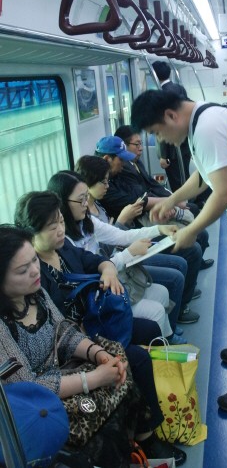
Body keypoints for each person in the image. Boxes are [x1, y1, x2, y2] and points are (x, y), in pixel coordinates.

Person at [130, 89, 227, 413]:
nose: (163, 141)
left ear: (171, 116)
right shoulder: (202, 121)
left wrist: (191, 230)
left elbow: (223, 192)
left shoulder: (206, 126)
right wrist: (171, 200)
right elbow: (202, 179)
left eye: (158, 132)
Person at [13, 195, 186, 465]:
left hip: (95, 324)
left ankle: (155, 410)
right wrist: (92, 362)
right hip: (77, 347)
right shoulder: (36, 282)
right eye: (52, 226)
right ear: (31, 233)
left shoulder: (64, 250)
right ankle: (146, 436)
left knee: (150, 329)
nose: (61, 229)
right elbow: (56, 339)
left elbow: (96, 262)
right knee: (136, 359)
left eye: (61, 222)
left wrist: (108, 271)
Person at [0, 224, 132, 468]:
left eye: (34, 260)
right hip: (41, 408)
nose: (35, 270)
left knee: (122, 366)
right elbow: (30, 388)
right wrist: (93, 379)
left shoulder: (36, 294)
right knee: (103, 437)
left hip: (63, 374)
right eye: (22, 270)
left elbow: (65, 333)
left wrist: (98, 354)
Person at [46, 170, 185, 344]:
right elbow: (90, 276)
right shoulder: (63, 241)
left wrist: (159, 229)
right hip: (98, 295)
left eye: (86, 197)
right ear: (62, 202)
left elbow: (122, 236)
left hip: (112, 278)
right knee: (156, 310)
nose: (85, 204)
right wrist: (129, 253)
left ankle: (168, 337)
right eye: (81, 199)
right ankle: (163, 345)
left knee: (162, 292)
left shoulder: (85, 222)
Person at [94, 136, 202, 325]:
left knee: (194, 232)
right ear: (107, 159)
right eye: (120, 159)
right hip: (125, 251)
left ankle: (184, 297)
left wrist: (164, 214)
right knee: (185, 258)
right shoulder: (103, 196)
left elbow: (144, 196)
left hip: (133, 237)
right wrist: (123, 222)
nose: (124, 163)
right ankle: (180, 309)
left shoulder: (118, 177)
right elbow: (115, 240)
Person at [113, 126, 213, 270]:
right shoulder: (123, 171)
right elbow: (142, 198)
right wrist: (168, 204)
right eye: (137, 144)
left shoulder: (136, 163)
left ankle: (197, 263)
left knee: (197, 222)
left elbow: (153, 185)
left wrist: (171, 200)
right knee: (194, 243)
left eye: (141, 143)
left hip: (153, 209)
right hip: (144, 219)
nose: (141, 148)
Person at [152, 60, 192, 192]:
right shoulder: (179, 88)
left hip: (171, 150)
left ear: (155, 75)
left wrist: (163, 155)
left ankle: (184, 204)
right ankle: (190, 201)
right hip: (184, 143)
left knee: (176, 183)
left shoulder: (161, 95)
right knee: (184, 177)